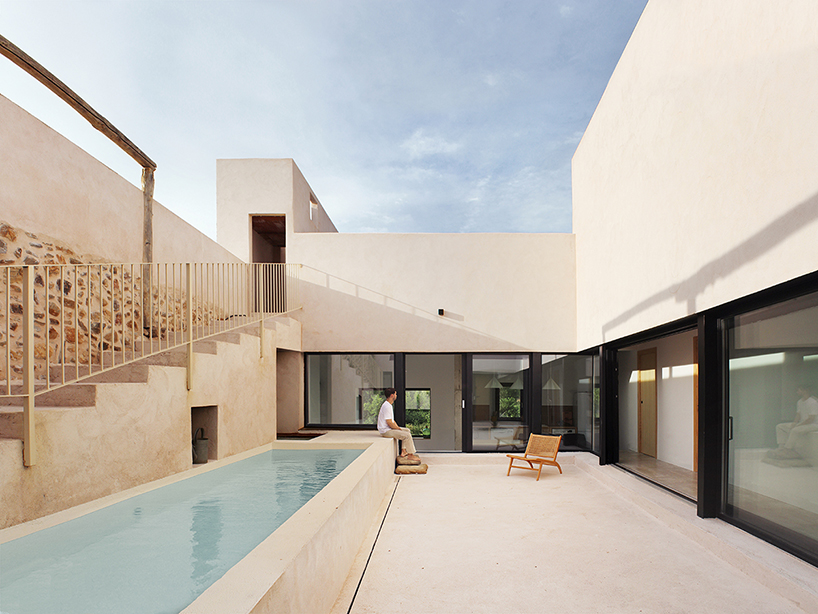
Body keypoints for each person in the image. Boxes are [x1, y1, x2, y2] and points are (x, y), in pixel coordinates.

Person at [771, 384, 818, 459]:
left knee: (795, 430)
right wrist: (794, 423)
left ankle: (787, 449)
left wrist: (798, 425)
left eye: (799, 390)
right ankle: (781, 447)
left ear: (805, 391)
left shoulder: (813, 402)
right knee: (780, 427)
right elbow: (798, 414)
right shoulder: (799, 402)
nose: (797, 392)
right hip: (803, 424)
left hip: (813, 425)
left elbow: (811, 419)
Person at [377, 388, 419, 459]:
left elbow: (392, 421)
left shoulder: (388, 405)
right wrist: (397, 429)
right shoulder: (387, 406)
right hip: (385, 431)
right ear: (392, 395)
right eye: (395, 394)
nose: (396, 395)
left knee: (407, 430)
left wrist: (398, 428)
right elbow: (389, 423)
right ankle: (410, 455)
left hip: (388, 429)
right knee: (407, 435)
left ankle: (403, 451)